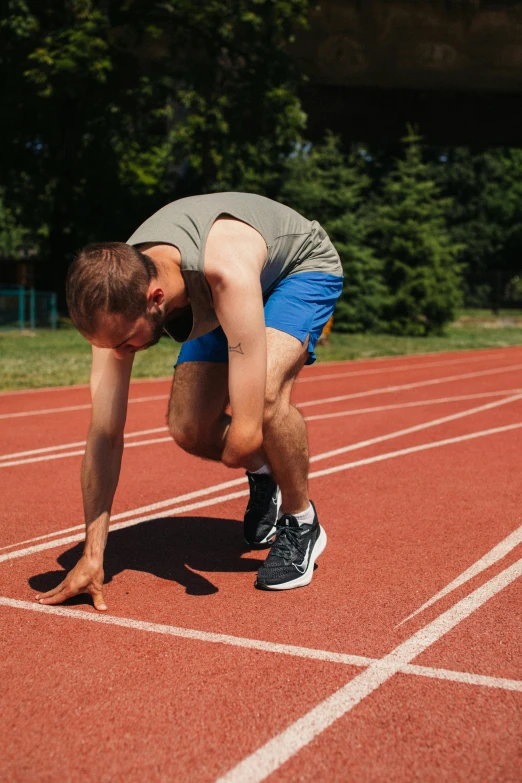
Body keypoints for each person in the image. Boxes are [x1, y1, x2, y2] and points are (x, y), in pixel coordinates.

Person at [34, 192, 343, 610]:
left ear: (156, 298)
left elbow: (247, 428)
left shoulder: (224, 271)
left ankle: (300, 519)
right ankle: (267, 476)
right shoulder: (115, 297)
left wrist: (246, 443)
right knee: (188, 427)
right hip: (218, 297)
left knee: (265, 404)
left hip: (295, 269)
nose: (120, 354)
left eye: (126, 343)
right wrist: (93, 554)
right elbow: (105, 433)